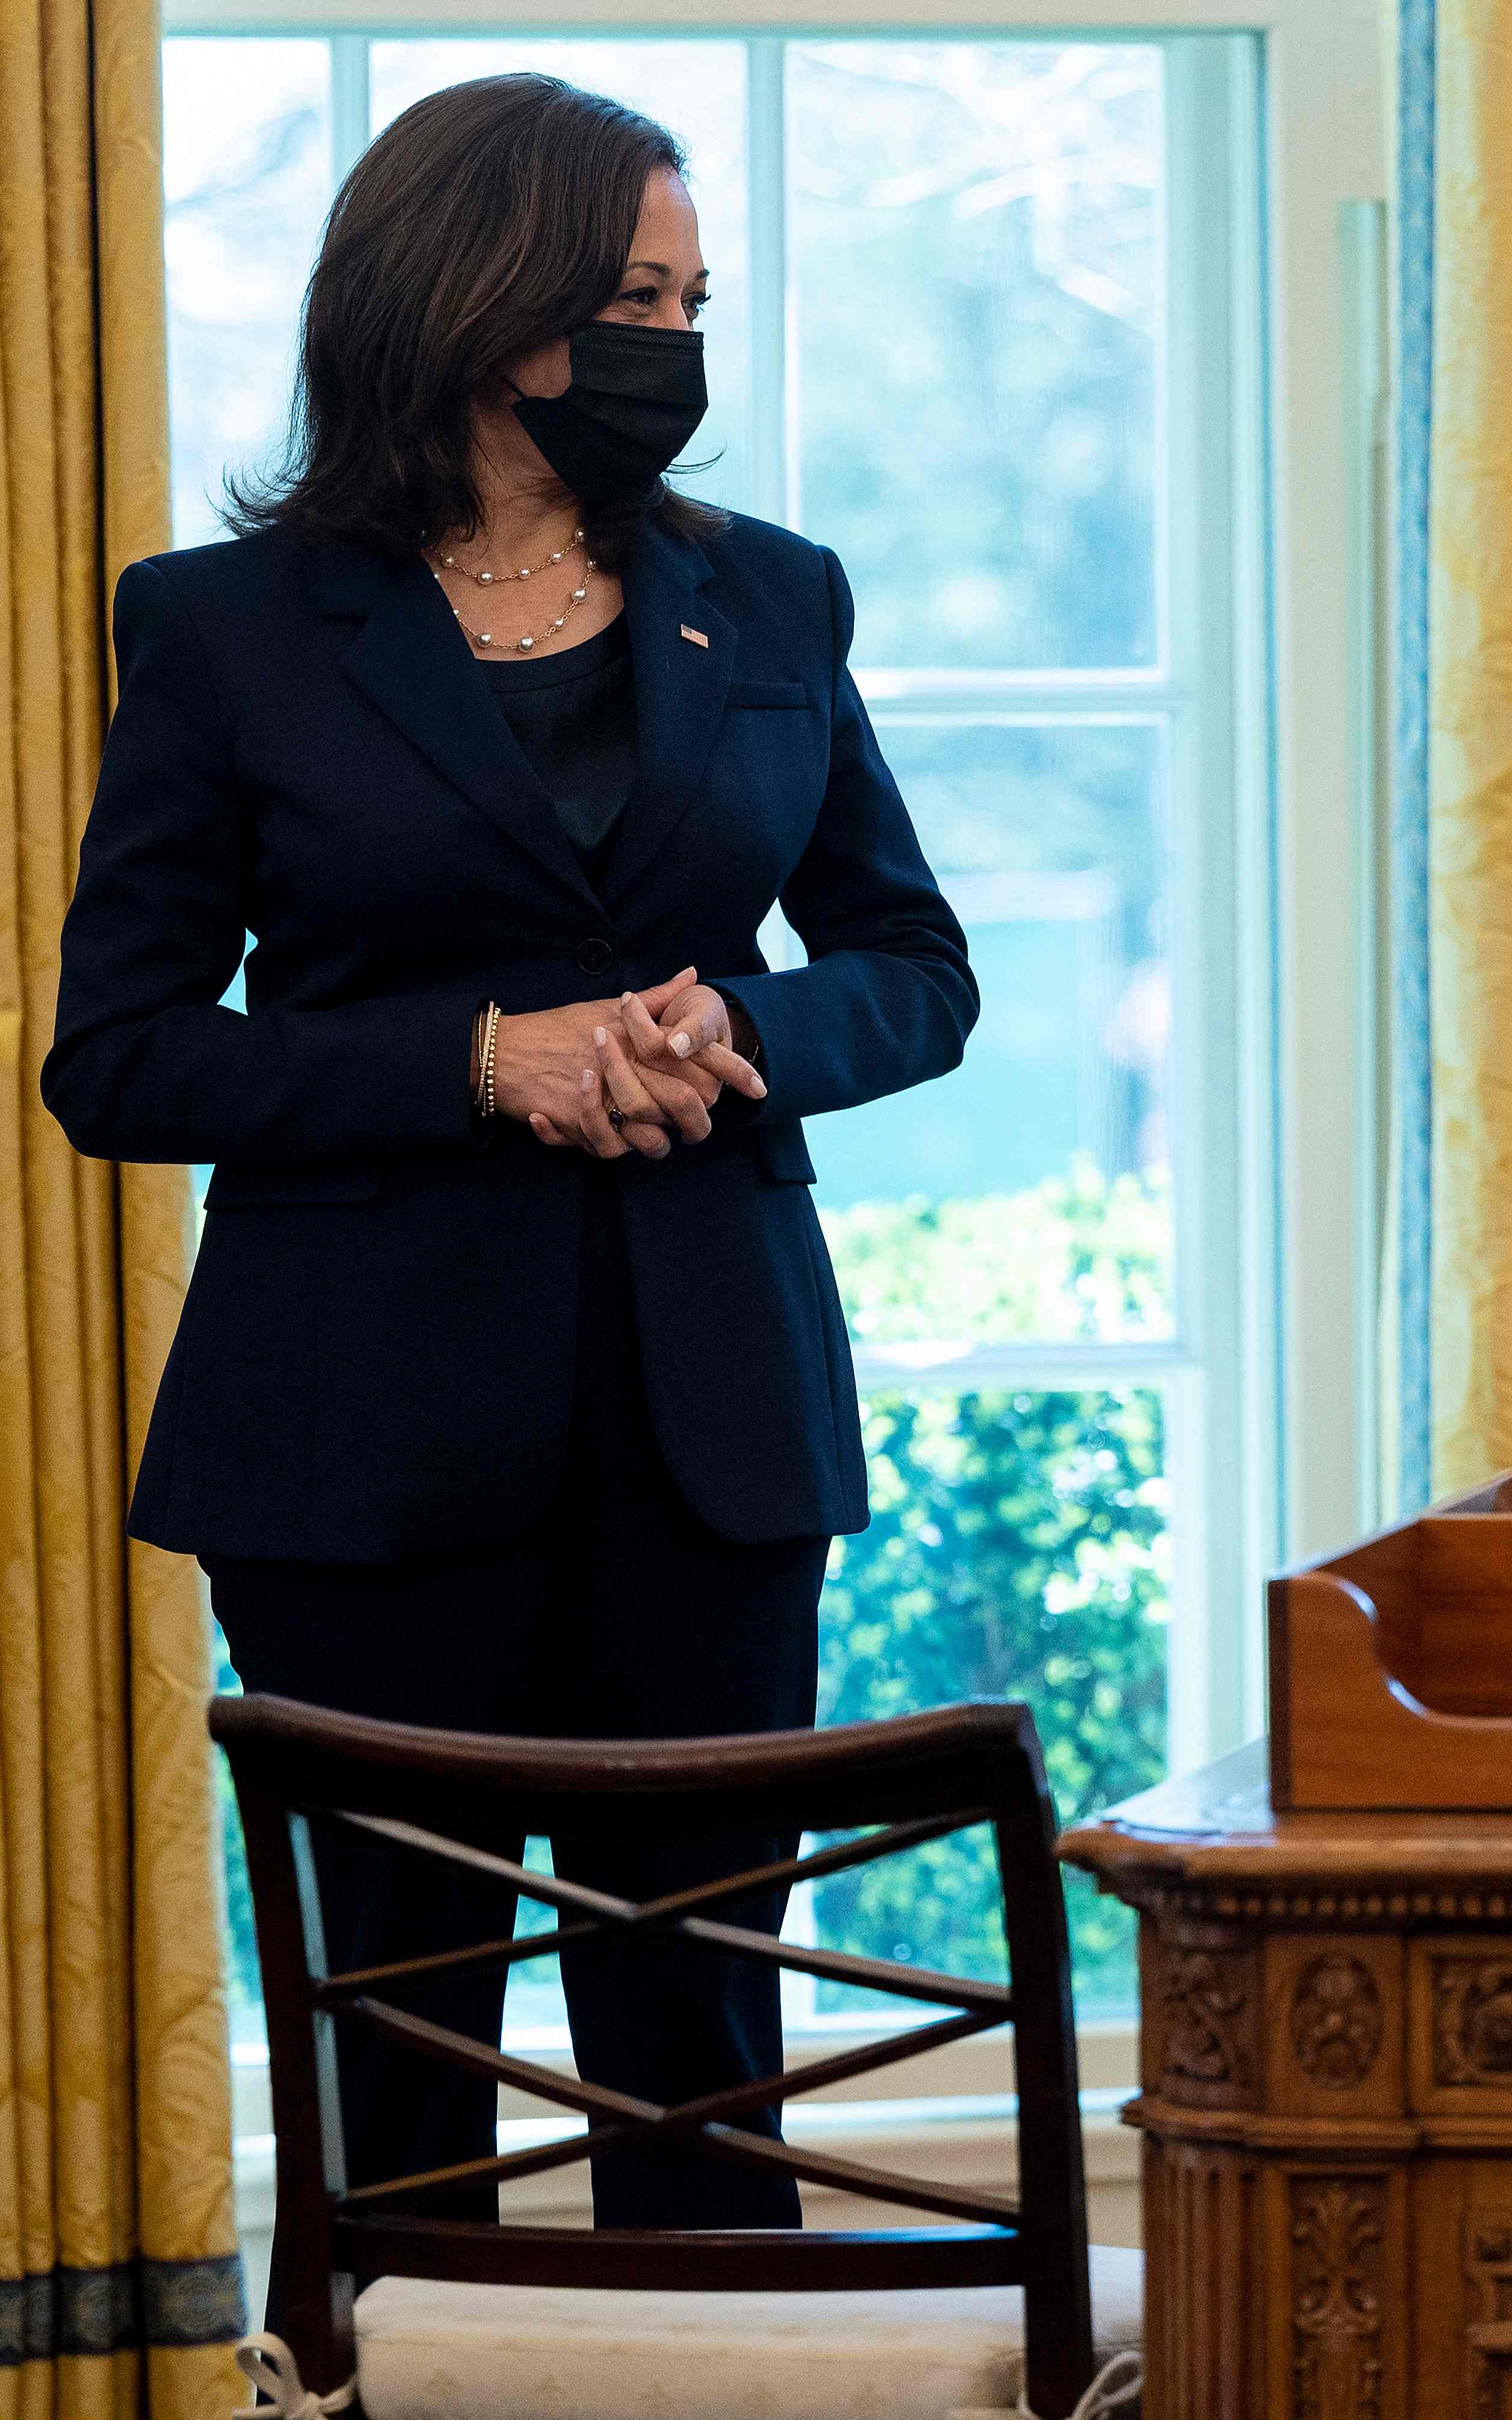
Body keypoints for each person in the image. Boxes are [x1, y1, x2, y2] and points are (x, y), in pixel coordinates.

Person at [40, 76, 975, 2226]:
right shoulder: (225, 629)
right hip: (353, 1450)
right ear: (482, 298)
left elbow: (913, 968)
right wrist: (482, 1062)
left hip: (712, 1430)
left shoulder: (776, 599)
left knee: (700, 2073)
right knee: (396, 2075)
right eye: (632, 295)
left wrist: (738, 1026)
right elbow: (125, 1056)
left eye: (694, 296)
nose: (677, 342)